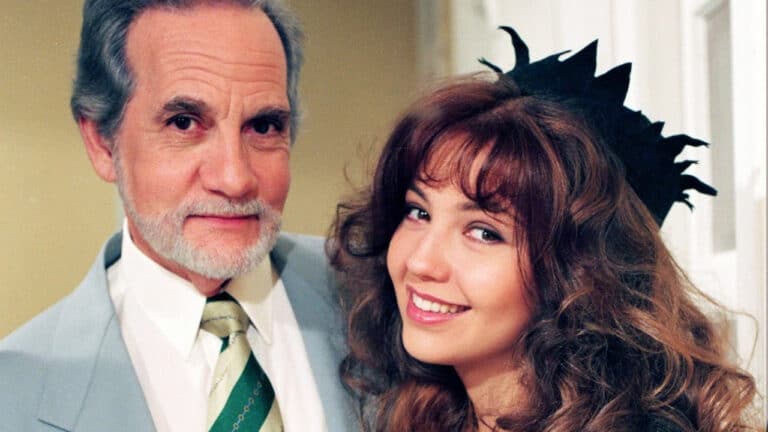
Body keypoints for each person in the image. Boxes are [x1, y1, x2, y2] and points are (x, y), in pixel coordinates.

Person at [329, 28, 758, 431]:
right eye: (418, 212)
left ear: (583, 270)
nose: (421, 262)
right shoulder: (423, 409)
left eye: (483, 232)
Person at [0, 1, 352, 431]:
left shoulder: (378, 297)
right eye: (184, 123)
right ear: (102, 144)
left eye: (263, 127)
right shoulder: (13, 394)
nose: (235, 179)